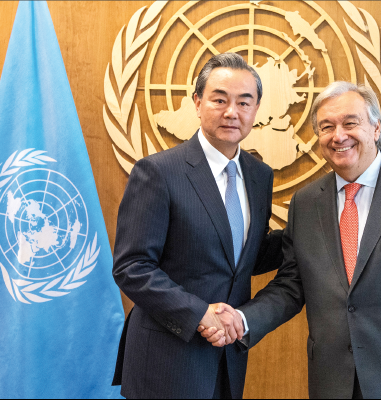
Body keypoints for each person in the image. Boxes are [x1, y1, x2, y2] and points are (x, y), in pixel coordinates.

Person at [202, 82, 381, 399]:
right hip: (333, 382)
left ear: (376, 128)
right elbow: (292, 284)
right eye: (327, 127)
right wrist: (243, 319)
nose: (338, 135)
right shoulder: (305, 203)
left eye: (350, 123)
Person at [111, 53, 283, 399]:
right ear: (198, 102)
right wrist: (199, 313)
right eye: (220, 99)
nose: (232, 112)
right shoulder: (158, 172)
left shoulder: (259, 176)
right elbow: (132, 267)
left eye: (244, 102)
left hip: (227, 358)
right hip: (166, 359)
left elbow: (245, 257)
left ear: (256, 109)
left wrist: (315, 229)